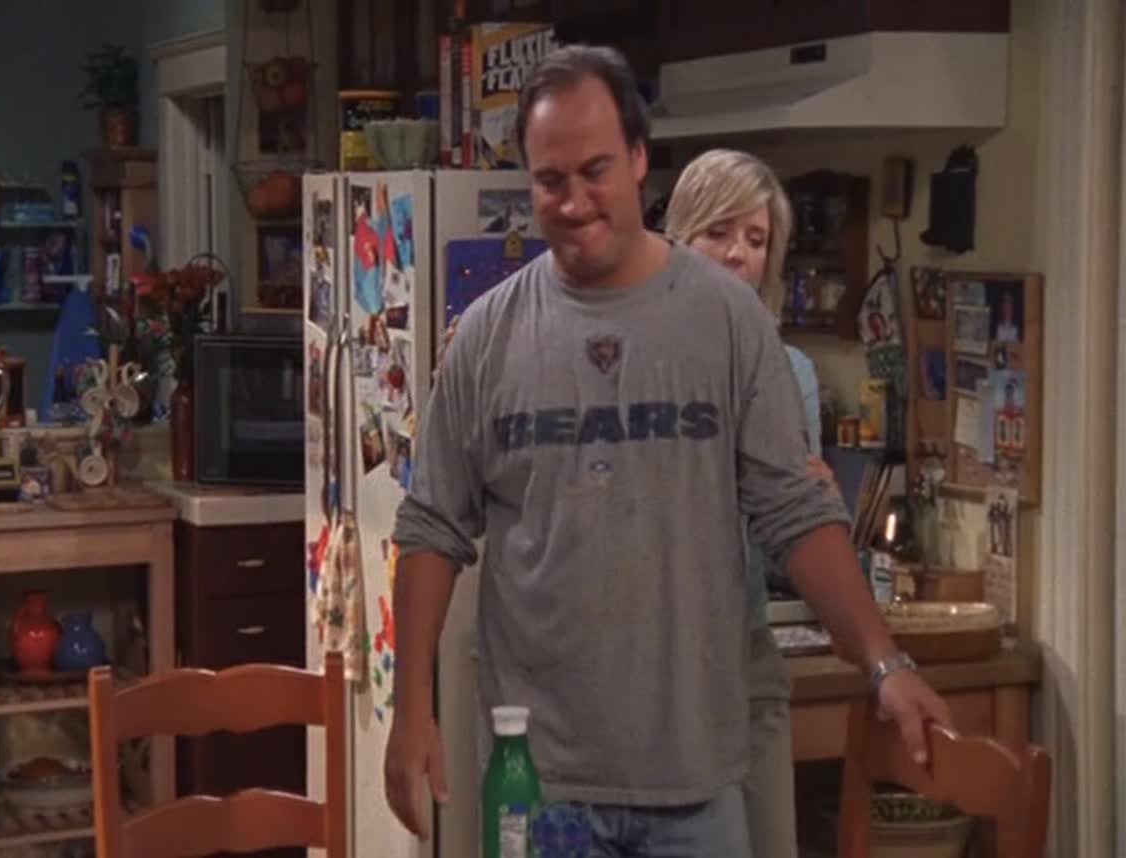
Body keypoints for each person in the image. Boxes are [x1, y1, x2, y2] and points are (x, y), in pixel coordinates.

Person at [386, 44, 950, 858]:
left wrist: (884, 664)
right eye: (550, 180)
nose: (574, 201)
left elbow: (796, 511)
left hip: (694, 779)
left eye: (595, 171)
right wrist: (412, 710)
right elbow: (431, 526)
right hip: (540, 781)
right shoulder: (485, 336)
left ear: (639, 160)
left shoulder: (728, 321)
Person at [662, 148, 822, 857]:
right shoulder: (636, 357)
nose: (738, 254)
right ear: (678, 238)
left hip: (743, 652)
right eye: (719, 232)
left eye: (756, 240)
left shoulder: (791, 372)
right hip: (648, 661)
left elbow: (786, 522)